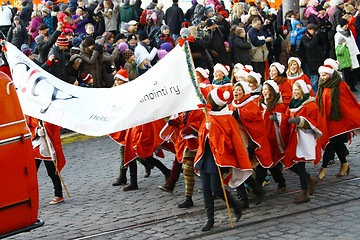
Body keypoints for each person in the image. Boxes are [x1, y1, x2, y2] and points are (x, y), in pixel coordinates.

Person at [194, 88, 253, 231]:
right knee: (206, 189)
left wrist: (212, 130)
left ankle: (236, 206)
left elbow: (227, 142)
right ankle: (210, 219)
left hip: (218, 158)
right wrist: (205, 131)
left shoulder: (227, 118)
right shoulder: (208, 115)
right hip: (205, 156)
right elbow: (202, 135)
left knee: (216, 189)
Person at [229, 81, 273, 208]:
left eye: (239, 90)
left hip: (246, 144)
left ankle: (248, 196)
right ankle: (252, 194)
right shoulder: (232, 105)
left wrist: (240, 116)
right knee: (238, 170)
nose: (236, 92)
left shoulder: (250, 105)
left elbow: (254, 119)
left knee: (240, 170)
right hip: (236, 142)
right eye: (235, 90)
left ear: (244, 92)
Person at [316, 63, 360, 180]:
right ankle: (345, 164)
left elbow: (348, 103)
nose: (322, 77)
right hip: (327, 121)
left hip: (338, 122)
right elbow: (318, 101)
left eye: (324, 75)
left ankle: (323, 169)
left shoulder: (340, 85)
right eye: (321, 75)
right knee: (337, 144)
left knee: (332, 144)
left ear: (330, 75)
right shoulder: (322, 86)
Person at [283, 80, 321, 203]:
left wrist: (301, 121)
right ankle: (309, 178)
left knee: (299, 164)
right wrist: (278, 119)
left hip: (303, 140)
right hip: (293, 139)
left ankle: (304, 193)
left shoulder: (310, 105)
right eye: (293, 90)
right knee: (290, 163)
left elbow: (315, 123)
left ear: (303, 91)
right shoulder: (292, 104)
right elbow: (287, 117)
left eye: (297, 90)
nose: (294, 93)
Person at [26, 116, 66, 205]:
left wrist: (45, 128)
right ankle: (28, 197)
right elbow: (27, 128)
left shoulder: (47, 113)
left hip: (47, 146)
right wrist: (36, 131)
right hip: (35, 146)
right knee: (31, 174)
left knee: (52, 172)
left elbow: (55, 125)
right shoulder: (29, 114)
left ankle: (58, 195)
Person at [258, 80, 288, 193]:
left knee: (266, 162)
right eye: (264, 89)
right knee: (270, 162)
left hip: (274, 140)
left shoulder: (278, 106)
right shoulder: (261, 104)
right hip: (264, 139)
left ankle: (257, 188)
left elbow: (283, 123)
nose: (264, 91)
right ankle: (281, 182)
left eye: (267, 89)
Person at [334, 18, 360, 92]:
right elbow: (337, 47)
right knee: (346, 72)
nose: (346, 26)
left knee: (353, 70)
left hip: (352, 53)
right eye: (345, 25)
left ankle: (353, 85)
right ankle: (346, 86)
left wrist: (356, 52)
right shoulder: (338, 35)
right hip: (345, 55)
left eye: (347, 25)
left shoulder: (349, 32)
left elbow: (353, 42)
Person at [299, 23, 324, 95]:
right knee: (314, 79)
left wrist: (319, 36)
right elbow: (311, 45)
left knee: (319, 78)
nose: (315, 32)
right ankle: (314, 94)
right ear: (308, 30)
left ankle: (319, 93)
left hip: (318, 59)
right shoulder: (305, 38)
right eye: (313, 30)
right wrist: (316, 36)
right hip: (311, 61)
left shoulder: (316, 37)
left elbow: (322, 43)